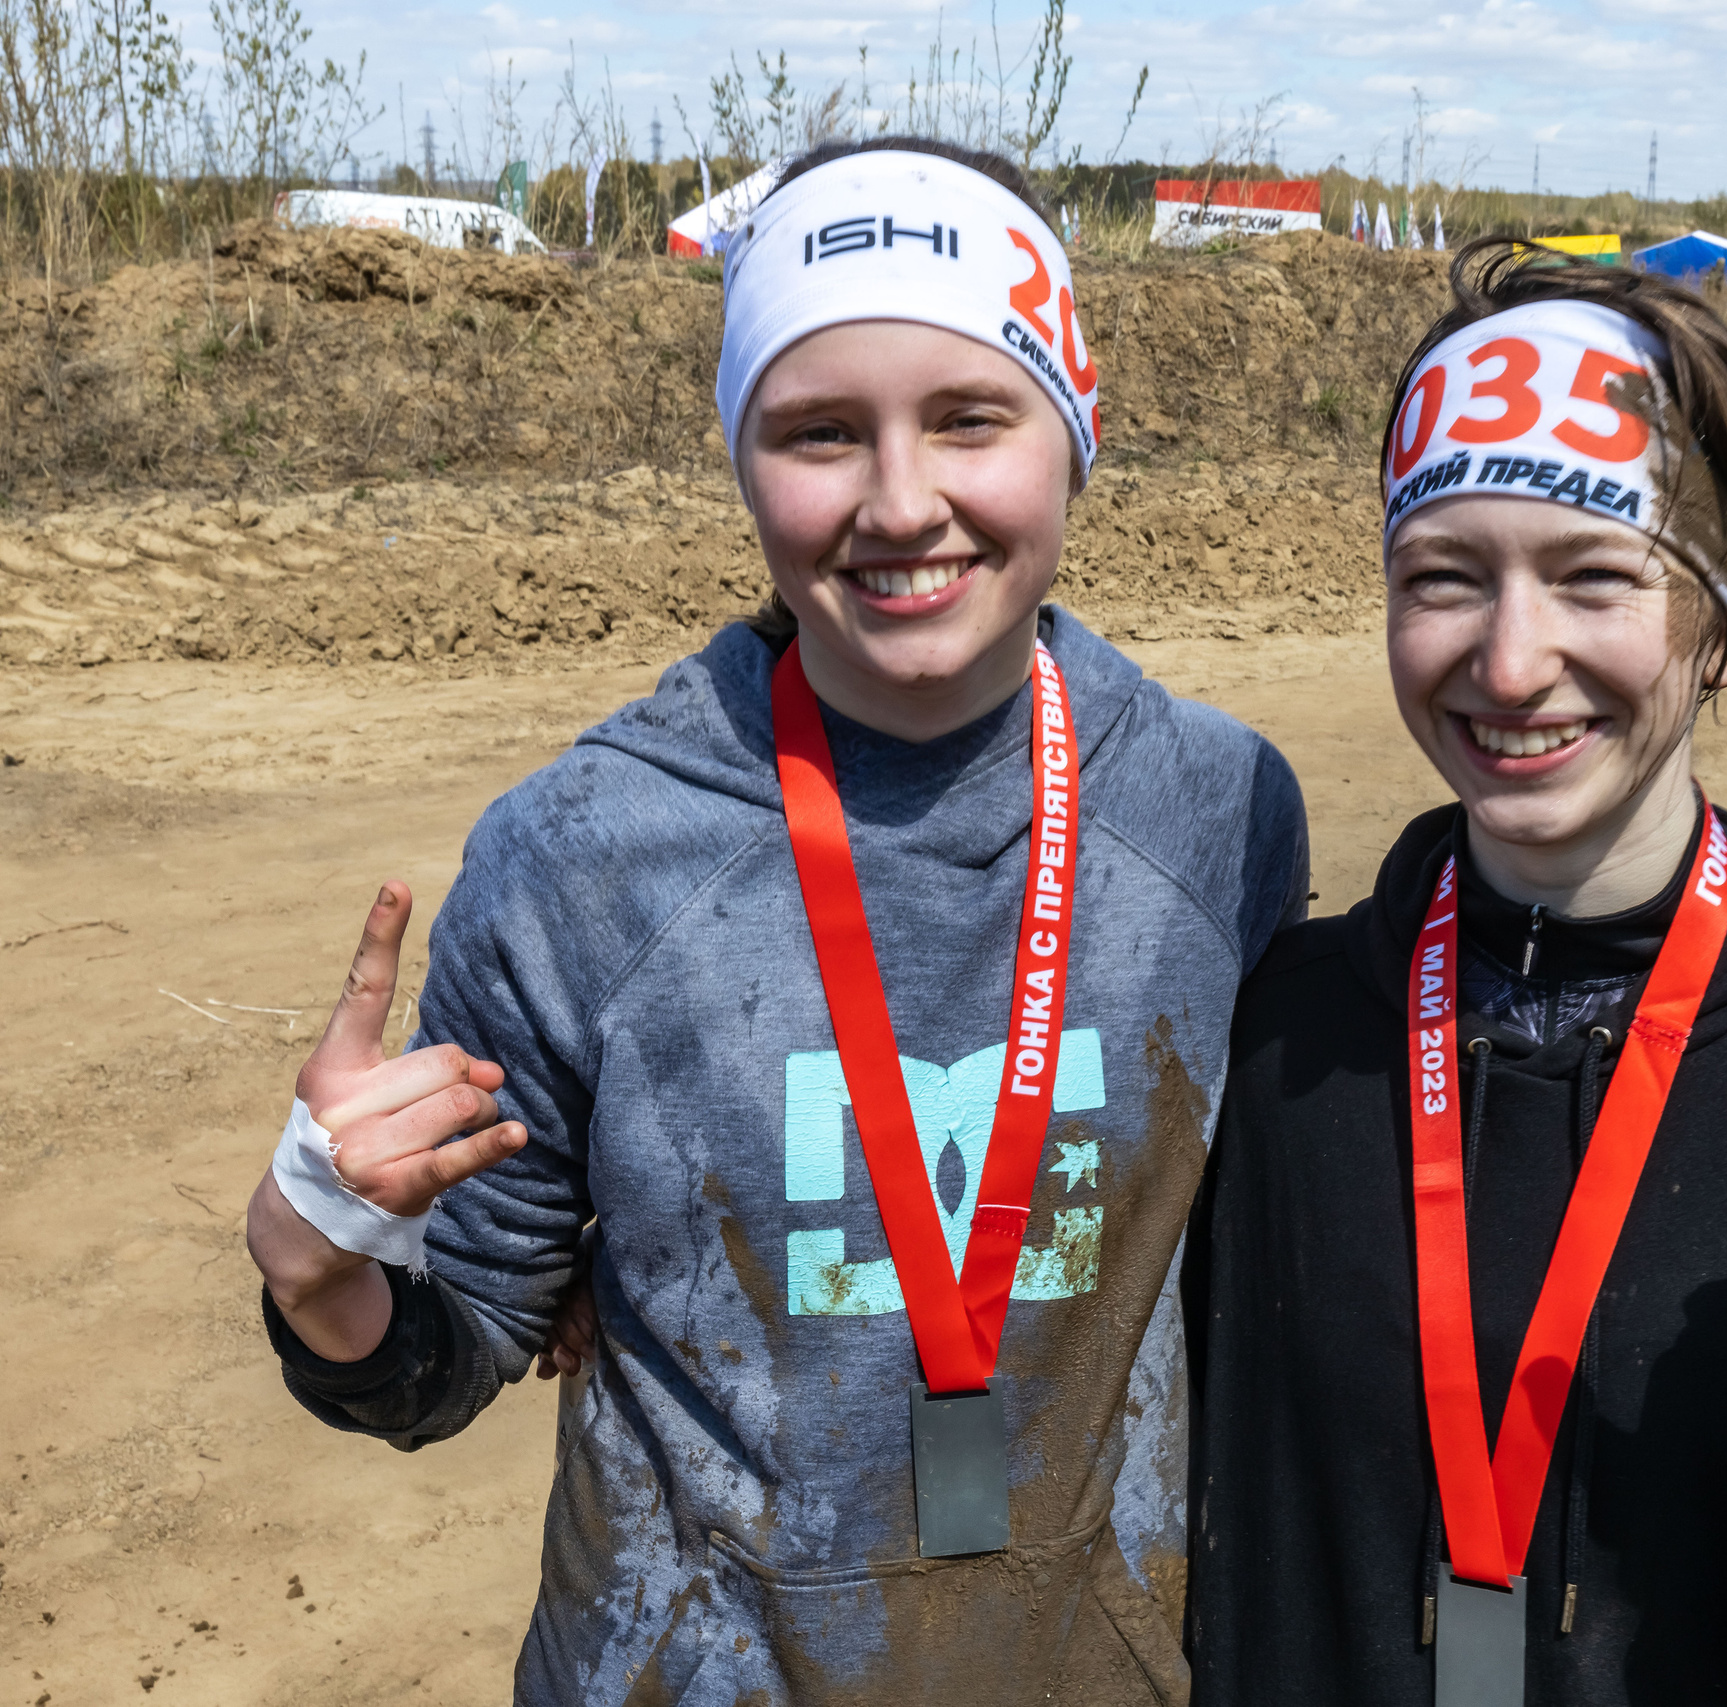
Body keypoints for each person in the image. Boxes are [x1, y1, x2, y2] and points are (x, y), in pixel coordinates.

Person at [244, 136, 1308, 1704]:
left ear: (1072, 430)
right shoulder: (578, 856)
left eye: (970, 419)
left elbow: (1249, 1273)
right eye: (819, 431)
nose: (901, 501)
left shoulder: (1216, 813)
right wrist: (323, 1274)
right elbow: (449, 1349)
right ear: (743, 458)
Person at [1185, 241, 1727, 1705]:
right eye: (1444, 577)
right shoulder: (1284, 1035)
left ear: (1723, 613)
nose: (1511, 663)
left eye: (1595, 576)